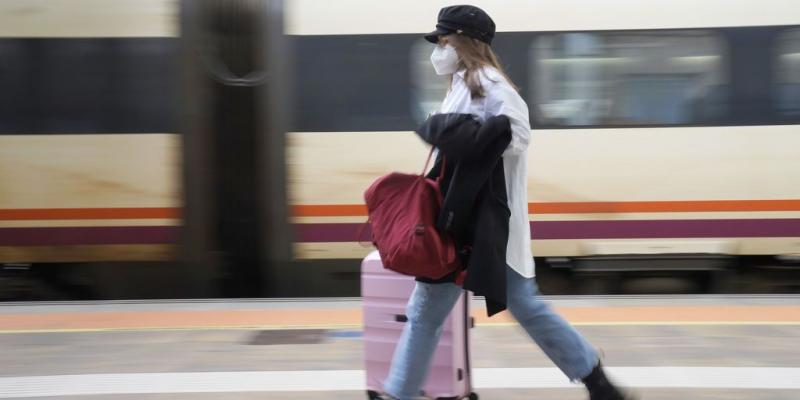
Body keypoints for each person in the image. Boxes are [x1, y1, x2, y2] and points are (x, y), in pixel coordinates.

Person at [379, 5, 637, 400]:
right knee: (435, 314)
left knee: (488, 310)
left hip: (484, 226)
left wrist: (466, 133)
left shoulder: (492, 85)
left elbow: (516, 137)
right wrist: (456, 132)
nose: (439, 50)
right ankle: (598, 383)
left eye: (445, 41)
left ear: (464, 42)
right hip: (459, 223)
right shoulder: (462, 84)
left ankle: (597, 380)